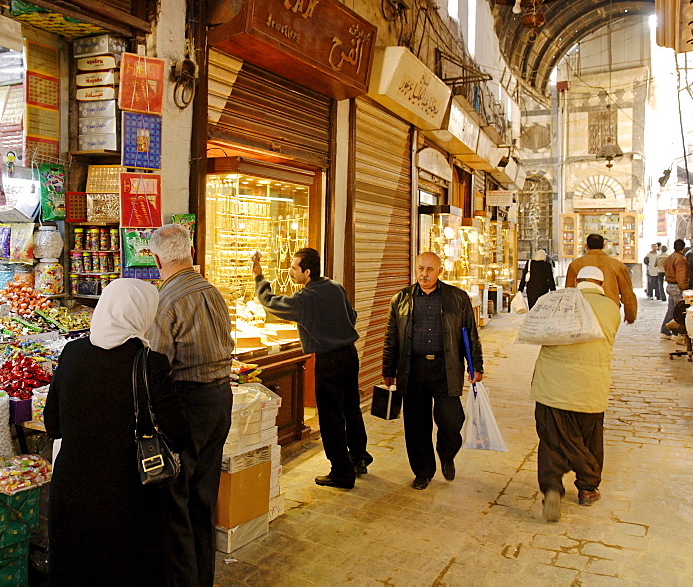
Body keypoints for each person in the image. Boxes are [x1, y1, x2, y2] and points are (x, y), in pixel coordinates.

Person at [45, 279, 188, 584]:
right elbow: (178, 433)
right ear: (142, 314)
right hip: (128, 498)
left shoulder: (71, 353)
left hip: (72, 493)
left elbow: (52, 426)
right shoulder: (150, 363)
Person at [147, 223, 234, 587]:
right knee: (203, 496)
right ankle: (204, 578)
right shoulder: (211, 291)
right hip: (220, 400)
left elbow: (158, 364)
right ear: (191, 254)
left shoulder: (166, 301)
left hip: (189, 403)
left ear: (156, 259)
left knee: (178, 501)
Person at [251, 248, 371, 489]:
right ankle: (358, 459)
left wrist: (258, 276)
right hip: (349, 355)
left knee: (330, 418)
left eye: (294, 268)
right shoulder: (335, 287)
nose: (290, 271)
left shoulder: (306, 298)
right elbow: (353, 315)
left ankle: (341, 473)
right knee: (351, 410)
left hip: (330, 361)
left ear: (307, 271)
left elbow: (271, 303)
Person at [383, 251, 484, 490]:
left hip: (445, 367)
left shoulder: (457, 298)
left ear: (440, 271)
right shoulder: (401, 299)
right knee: (416, 425)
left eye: (429, 269)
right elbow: (391, 338)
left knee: (452, 420)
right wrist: (388, 369)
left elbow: (471, 333)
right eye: (420, 269)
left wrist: (475, 366)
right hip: (413, 367)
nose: (424, 274)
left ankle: (446, 454)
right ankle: (423, 471)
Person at [531, 266, 621, 523]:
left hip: (551, 386)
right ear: (601, 284)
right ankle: (587, 487)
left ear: (576, 282)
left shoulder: (557, 302)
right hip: (590, 387)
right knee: (590, 438)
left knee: (552, 440)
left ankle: (551, 488)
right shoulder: (611, 308)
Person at [565, 234, 637, 325]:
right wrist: (630, 314)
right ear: (603, 246)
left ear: (586, 246)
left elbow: (569, 291)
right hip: (610, 308)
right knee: (607, 335)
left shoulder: (575, 265)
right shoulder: (617, 265)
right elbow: (627, 292)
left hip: (583, 308)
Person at [660, 239, 690, 339]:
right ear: (683, 248)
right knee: (679, 312)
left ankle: (665, 331)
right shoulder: (680, 259)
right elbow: (681, 275)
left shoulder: (670, 257)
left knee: (672, 309)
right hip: (677, 286)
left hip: (670, 285)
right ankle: (675, 333)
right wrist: (684, 288)